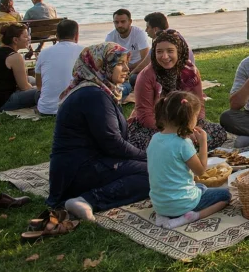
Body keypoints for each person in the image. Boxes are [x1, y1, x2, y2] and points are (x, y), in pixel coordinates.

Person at [47, 43, 149, 221]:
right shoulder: (93, 95)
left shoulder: (99, 90)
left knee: (150, 167)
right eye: (119, 64)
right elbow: (113, 144)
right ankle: (87, 200)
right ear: (101, 65)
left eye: (126, 63)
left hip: (88, 162)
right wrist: (148, 156)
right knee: (153, 174)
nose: (127, 69)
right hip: (78, 170)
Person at [128, 30, 227, 151]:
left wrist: (193, 127)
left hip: (186, 123)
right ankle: (185, 152)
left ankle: (183, 151)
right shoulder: (146, 76)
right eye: (159, 51)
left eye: (170, 51)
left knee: (217, 133)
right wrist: (176, 132)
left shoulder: (190, 72)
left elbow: (199, 104)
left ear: (179, 52)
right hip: (155, 126)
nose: (164, 56)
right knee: (148, 143)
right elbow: (145, 115)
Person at [147, 91, 231, 229]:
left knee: (201, 187)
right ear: (189, 118)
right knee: (226, 195)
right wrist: (203, 143)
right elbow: (200, 170)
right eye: (196, 117)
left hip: (160, 204)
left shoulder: (155, 138)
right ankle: (190, 217)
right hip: (182, 204)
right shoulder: (183, 143)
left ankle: (162, 216)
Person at [35, 19, 84, 116]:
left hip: (46, 109)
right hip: (75, 107)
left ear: (57, 36)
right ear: (76, 36)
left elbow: (39, 85)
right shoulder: (84, 51)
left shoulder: (44, 52)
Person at [106, 9, 151, 100]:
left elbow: (145, 60)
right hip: (120, 71)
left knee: (135, 79)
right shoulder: (110, 37)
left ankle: (117, 92)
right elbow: (108, 61)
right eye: (116, 22)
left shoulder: (139, 34)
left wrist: (129, 71)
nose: (119, 25)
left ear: (130, 21)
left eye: (123, 22)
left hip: (138, 70)